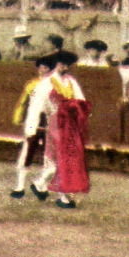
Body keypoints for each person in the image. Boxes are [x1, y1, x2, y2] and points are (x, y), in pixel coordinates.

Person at [43, 51, 90, 209]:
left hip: (70, 124)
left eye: (67, 64)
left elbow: (80, 99)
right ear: (56, 63)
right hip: (56, 123)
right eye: (62, 63)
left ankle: (61, 193)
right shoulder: (49, 81)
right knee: (58, 158)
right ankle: (53, 191)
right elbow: (44, 103)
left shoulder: (70, 81)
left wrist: (73, 107)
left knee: (68, 158)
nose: (65, 67)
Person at [10, 53, 57, 199]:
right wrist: (19, 117)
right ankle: (20, 187)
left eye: (46, 67)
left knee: (50, 157)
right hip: (35, 122)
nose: (42, 70)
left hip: (49, 123)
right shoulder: (32, 84)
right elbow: (23, 102)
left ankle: (41, 185)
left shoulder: (55, 85)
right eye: (41, 67)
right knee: (27, 154)